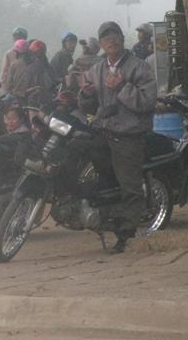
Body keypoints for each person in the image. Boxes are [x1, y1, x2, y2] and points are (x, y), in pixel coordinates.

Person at [78, 21, 157, 254]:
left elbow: (146, 102)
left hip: (129, 135)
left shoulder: (139, 67)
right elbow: (88, 105)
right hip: (104, 131)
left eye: (115, 36)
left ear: (122, 39)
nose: (110, 40)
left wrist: (122, 87)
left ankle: (126, 237)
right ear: (101, 43)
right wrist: (85, 94)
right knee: (81, 154)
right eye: (106, 37)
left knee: (129, 186)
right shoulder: (97, 69)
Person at [26, 40, 56, 107]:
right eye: (38, 53)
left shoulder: (48, 67)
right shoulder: (31, 68)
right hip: (38, 101)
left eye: (41, 52)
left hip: (46, 100)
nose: (41, 55)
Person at [0, 26, 28, 92]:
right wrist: (7, 90)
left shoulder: (32, 52)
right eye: (16, 36)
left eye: (20, 36)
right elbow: (4, 75)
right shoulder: (9, 54)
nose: (17, 38)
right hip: (14, 89)